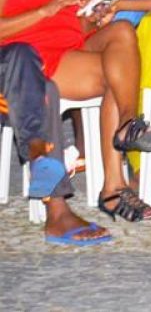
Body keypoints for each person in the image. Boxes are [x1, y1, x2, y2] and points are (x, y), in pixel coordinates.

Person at [0, 0, 151, 222]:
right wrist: (44, 11)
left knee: (120, 31)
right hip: (30, 59)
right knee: (117, 77)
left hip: (74, 46)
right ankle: (114, 189)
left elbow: (81, 25)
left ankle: (128, 124)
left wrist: (96, 15)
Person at [1, 44, 111, 245]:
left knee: (43, 84)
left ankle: (39, 155)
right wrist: (43, 12)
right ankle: (55, 205)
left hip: (22, 63)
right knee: (31, 74)